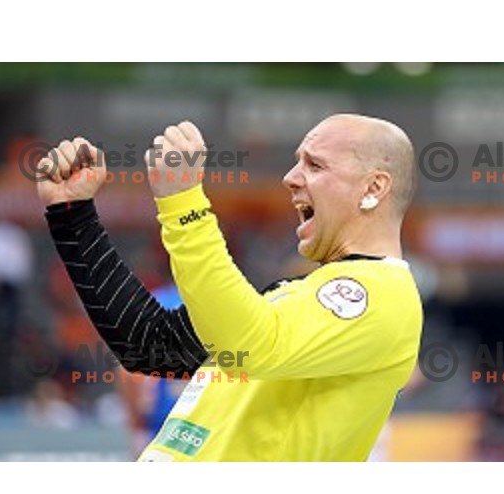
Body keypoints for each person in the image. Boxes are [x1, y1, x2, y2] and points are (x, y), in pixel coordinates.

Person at [36, 114, 423, 461]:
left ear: (374, 186)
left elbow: (251, 347)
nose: (290, 177)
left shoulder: (383, 297)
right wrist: (72, 215)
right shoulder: (291, 298)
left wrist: (183, 204)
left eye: (315, 164)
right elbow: (149, 346)